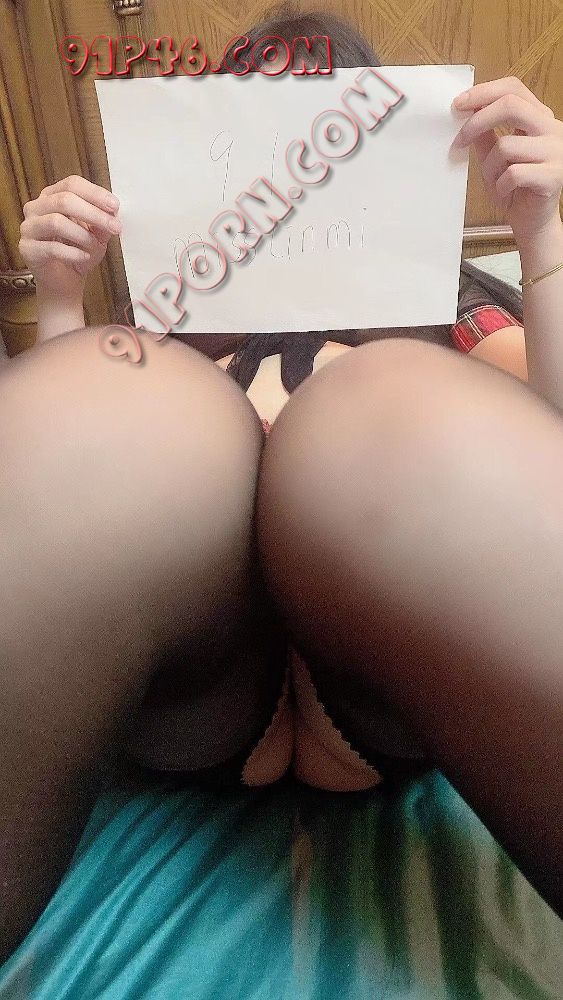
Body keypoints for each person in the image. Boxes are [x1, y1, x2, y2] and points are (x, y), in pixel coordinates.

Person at [2, 10, 562, 965]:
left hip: (388, 651)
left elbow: (544, 440)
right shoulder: (171, 309)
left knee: (389, 394)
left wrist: (542, 239)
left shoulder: (446, 299)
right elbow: (74, 495)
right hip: (205, 665)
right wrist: (60, 300)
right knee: (108, 382)